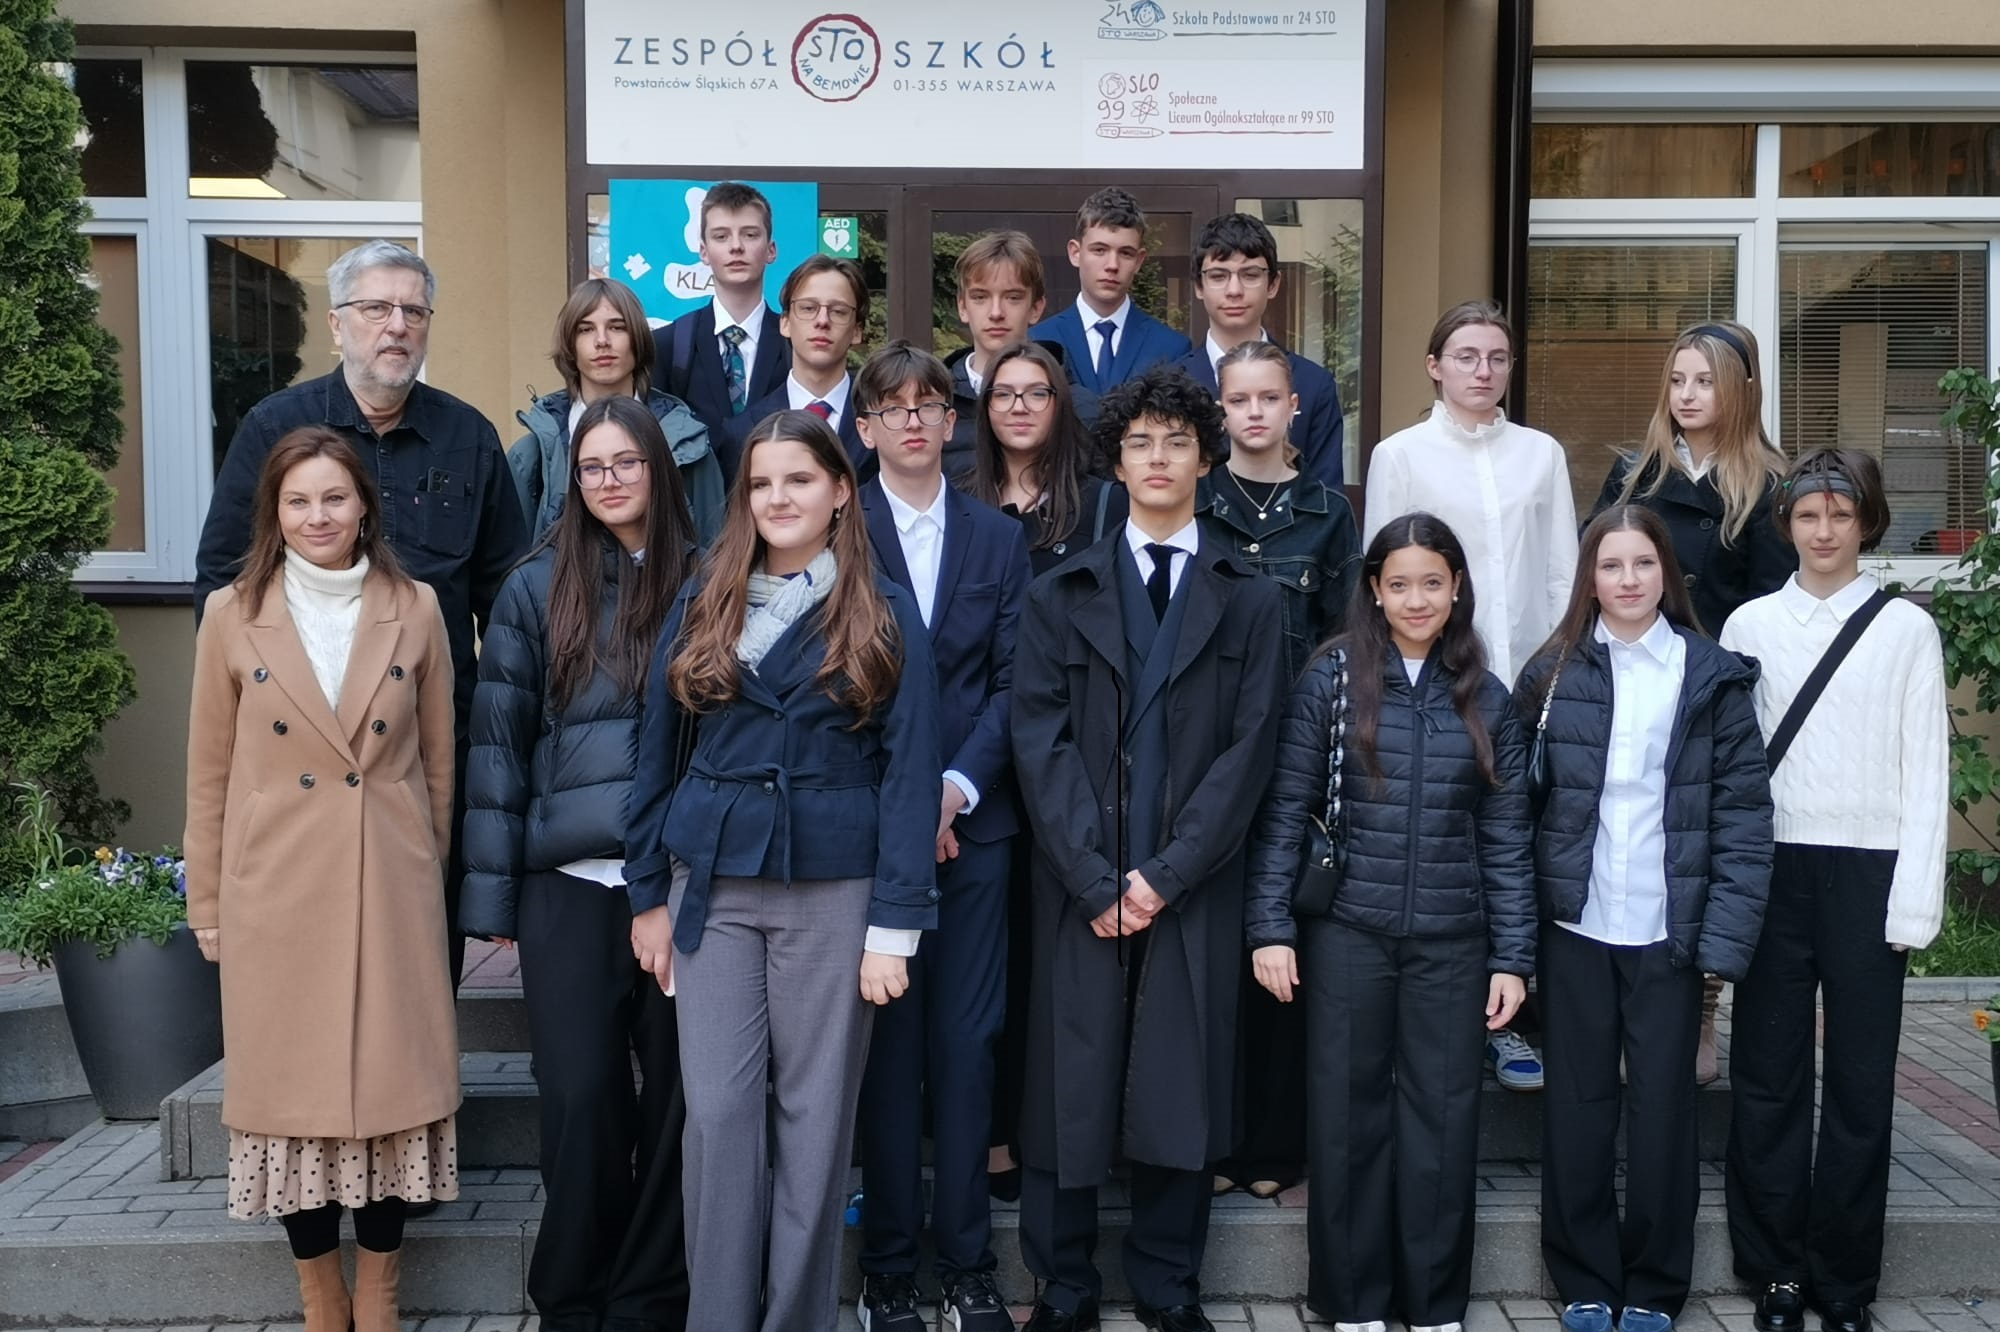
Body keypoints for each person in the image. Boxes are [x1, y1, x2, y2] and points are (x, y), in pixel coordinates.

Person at [623, 409, 941, 1332]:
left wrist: (894, 926)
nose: (778, 498)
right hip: (712, 887)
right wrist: (647, 895)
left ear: (841, 490)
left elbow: (911, 775)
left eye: (798, 480)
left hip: (834, 887)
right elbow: (656, 751)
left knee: (814, 1123)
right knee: (719, 1116)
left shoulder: (883, 609)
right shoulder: (704, 597)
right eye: (761, 484)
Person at [1010, 366, 1286, 1332]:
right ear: (1116, 463)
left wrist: (1166, 876)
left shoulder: (1251, 598)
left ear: (1207, 459)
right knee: (1068, 1077)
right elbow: (1037, 741)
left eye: (1177, 442)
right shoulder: (1059, 592)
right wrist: (1095, 878)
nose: (1158, 458)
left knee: (1181, 1075)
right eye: (1140, 443)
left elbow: (1251, 750)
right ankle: (1065, 1287)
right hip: (1077, 878)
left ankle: (1170, 1284)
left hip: (1191, 878)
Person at [194, 239, 531, 993]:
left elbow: (505, 597)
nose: (397, 326)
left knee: (416, 953)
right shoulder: (274, 428)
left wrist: (500, 729)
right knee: (301, 961)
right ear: (337, 323)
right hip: (301, 749)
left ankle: (413, 1072)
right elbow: (224, 576)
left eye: (414, 311)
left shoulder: (469, 437)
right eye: (376, 308)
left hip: (427, 742)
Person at [184, 426, 460, 1332]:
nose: (317, 516)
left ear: (364, 506)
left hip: (389, 883)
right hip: (276, 888)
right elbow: (208, 771)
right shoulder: (232, 612)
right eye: (297, 501)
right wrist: (208, 902)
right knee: (287, 1102)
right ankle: (320, 1296)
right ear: (274, 512)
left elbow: (440, 762)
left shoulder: (416, 606)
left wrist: (424, 869)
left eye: (334, 497)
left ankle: (378, 1292)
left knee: (391, 1097)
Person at [1244, 512, 1534, 1332]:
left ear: (1457, 588)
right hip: (1348, 934)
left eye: (1432, 583)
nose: (1416, 600)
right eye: (1399, 584)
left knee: (1443, 1122)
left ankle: (1434, 1305)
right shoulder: (1332, 680)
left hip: (1453, 941)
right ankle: (1354, 1303)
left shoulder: (1487, 695)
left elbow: (1508, 837)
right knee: (1346, 1121)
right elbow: (1286, 810)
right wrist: (1270, 928)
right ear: (1373, 589)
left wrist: (1513, 956)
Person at [461, 397, 704, 1332]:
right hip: (567, 884)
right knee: (579, 1094)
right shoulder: (534, 586)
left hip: (678, 885)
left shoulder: (708, 577)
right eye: (592, 466)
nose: (610, 481)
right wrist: (494, 901)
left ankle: (650, 1297)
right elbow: (498, 747)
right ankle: (571, 1298)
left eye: (626, 462)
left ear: (659, 469)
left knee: (679, 1099)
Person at [1514, 505, 1773, 1332]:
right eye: (1611, 565)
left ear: (1668, 573)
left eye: (1643, 563)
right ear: (1589, 578)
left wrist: (1723, 941)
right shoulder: (1551, 673)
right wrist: (1517, 939)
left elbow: (1743, 815)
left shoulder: (1712, 675)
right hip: (1575, 926)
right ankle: (1584, 1278)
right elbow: (1514, 811)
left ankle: (1656, 1286)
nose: (1628, 580)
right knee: (1578, 1109)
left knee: (1663, 1112)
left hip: (1669, 930)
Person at [1720, 448, 1947, 1332]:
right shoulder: (1749, 625)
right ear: (1787, 525)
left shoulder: (1905, 630)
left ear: (1867, 522)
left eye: (1841, 515)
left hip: (1870, 869)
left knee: (1859, 1084)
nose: (1824, 531)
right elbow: (1728, 769)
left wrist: (1914, 898)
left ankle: (1845, 1280)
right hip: (1773, 864)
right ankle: (1774, 1271)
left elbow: (1926, 768)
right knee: (1767, 1076)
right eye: (1808, 515)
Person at [849, 342, 1034, 1332]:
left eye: (930, 405)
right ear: (866, 427)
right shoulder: (838, 529)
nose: (914, 420)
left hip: (976, 830)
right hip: (867, 835)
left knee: (966, 1047)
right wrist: (904, 805)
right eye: (894, 407)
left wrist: (952, 793)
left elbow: (1014, 682)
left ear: (953, 423)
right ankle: (887, 1270)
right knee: (887, 1054)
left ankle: (966, 1265)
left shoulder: (996, 539)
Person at [1363, 299, 1573, 1093]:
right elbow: (1382, 574)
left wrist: (1558, 677)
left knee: (1518, 849)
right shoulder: (1399, 454)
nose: (1483, 371)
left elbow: (1561, 573)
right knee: (1447, 850)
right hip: (1438, 684)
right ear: (1434, 367)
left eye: (1497, 358)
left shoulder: (1541, 454)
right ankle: (1454, 1024)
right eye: (1466, 356)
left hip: (1528, 688)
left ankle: (1513, 1018)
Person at [1593, 319, 1796, 1085]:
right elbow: (1594, 565)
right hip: (1630, 680)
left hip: (1711, 693)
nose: (1687, 395)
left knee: (1698, 849)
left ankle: (1703, 1008)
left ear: (1739, 390)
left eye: (1705, 381)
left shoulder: (1767, 485)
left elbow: (1773, 606)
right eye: (1677, 380)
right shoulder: (1633, 474)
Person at [1197, 339, 1359, 1201]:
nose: (1254, 412)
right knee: (1209, 952)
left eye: (1269, 398)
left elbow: (1344, 640)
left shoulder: (1328, 512)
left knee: (1283, 948)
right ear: (1219, 410)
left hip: (1294, 760)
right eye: (1239, 399)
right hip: (1204, 756)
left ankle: (1273, 1147)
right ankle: (1212, 1141)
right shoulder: (1195, 502)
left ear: (1295, 407)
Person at [511, 276, 725, 544]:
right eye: (585, 329)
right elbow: (515, 561)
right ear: (570, 345)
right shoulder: (532, 454)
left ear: (638, 340)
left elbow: (713, 552)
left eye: (617, 327)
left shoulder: (689, 446)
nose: (602, 341)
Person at [1175, 212, 1345, 488]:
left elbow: (1326, 496)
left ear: (1273, 284)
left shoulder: (1313, 384)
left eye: (1250, 275)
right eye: (1218, 276)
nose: (1234, 290)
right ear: (1198, 286)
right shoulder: (1172, 384)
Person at [962, 340, 1127, 577]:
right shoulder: (959, 505)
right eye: (1003, 394)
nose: (1019, 407)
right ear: (986, 406)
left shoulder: (1105, 503)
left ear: (1059, 404)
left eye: (1037, 394)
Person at [943, 230, 1098, 477]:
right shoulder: (933, 408)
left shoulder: (1081, 409)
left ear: (1036, 307)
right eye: (980, 297)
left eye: (1012, 297)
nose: (996, 312)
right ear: (963, 307)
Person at [652, 181, 792, 443]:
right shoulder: (668, 345)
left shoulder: (793, 342)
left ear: (771, 250)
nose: (736, 246)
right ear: (703, 252)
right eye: (721, 236)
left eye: (750, 234)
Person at [721, 254, 871, 484]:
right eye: (808, 308)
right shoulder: (743, 431)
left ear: (857, 331)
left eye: (838, 311)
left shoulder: (884, 420)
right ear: (785, 323)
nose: (822, 321)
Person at [1031, 187, 1192, 395]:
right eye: (1100, 250)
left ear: (1139, 261)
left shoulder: (1171, 348)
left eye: (1125, 253)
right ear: (1075, 253)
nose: (1112, 265)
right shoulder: (1037, 340)